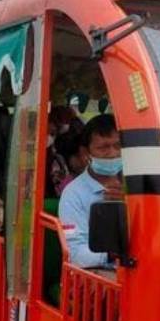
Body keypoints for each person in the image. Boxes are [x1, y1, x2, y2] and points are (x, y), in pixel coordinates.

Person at [58, 114, 123, 270]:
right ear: (86, 153)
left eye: (118, 145)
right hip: (100, 275)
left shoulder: (137, 183)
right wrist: (114, 254)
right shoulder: (73, 194)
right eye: (103, 147)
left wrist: (134, 204)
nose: (113, 153)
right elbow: (75, 253)